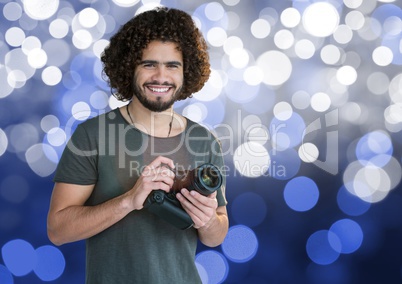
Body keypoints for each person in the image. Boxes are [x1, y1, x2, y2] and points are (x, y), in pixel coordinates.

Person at [47, 7, 228, 284]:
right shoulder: (92, 135)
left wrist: (207, 221)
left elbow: (217, 235)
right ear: (129, 66)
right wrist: (130, 200)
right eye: (149, 64)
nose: (160, 76)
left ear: (186, 71)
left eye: (172, 65)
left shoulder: (205, 141)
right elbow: (58, 230)